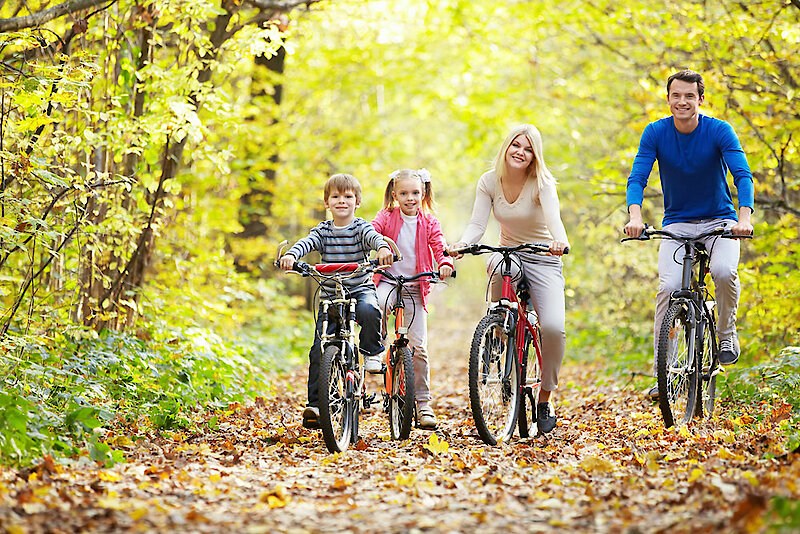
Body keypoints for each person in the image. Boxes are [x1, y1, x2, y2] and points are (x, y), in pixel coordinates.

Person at [623, 69, 754, 400]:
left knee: (724, 272)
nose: (682, 101)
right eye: (676, 95)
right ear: (668, 99)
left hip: (720, 222)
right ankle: (664, 373)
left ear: (700, 99)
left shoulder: (719, 131)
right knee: (668, 289)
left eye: (689, 96)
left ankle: (725, 333)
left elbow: (742, 175)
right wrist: (635, 216)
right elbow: (638, 177)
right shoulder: (655, 133)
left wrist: (744, 217)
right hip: (677, 224)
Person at [449, 124, 570, 434]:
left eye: (528, 149)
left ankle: (544, 397)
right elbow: (477, 225)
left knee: (554, 328)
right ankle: (497, 329)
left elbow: (555, 220)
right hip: (510, 253)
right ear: (506, 147)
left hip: (543, 257)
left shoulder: (542, 183)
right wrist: (464, 243)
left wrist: (559, 241)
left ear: (535, 156)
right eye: (516, 145)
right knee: (501, 266)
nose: (521, 152)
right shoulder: (489, 181)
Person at [279, 173, 394, 429]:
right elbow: (306, 243)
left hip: (359, 287)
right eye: (336, 197)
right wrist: (291, 255)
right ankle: (317, 406)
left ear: (357, 201)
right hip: (330, 294)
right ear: (327, 203)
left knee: (369, 309)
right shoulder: (322, 230)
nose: (342, 201)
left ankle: (373, 351)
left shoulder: (361, 227)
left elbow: (375, 239)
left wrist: (383, 249)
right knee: (319, 349)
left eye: (348, 196)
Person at [371, 168, 454, 430]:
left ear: (423, 193)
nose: (410, 198)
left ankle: (423, 403)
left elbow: (439, 245)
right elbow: (372, 231)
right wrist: (379, 245)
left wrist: (445, 262)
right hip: (387, 280)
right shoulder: (386, 216)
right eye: (404, 193)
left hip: (415, 287)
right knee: (377, 305)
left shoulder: (429, 222)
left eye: (415, 193)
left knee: (419, 347)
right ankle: (376, 348)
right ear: (395, 194)